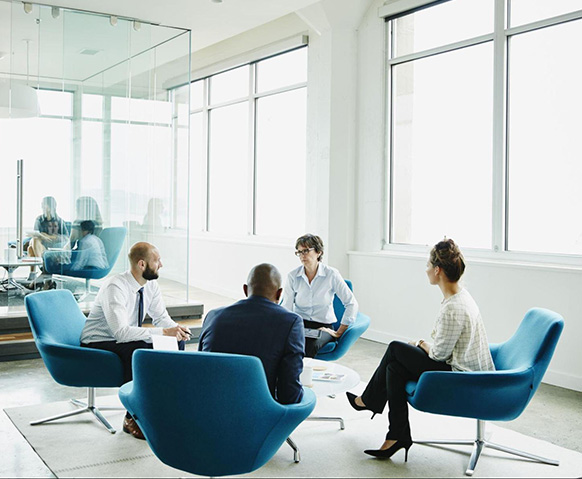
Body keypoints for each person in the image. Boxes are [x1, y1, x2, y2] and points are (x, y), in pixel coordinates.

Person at [346, 238, 495, 460]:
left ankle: (370, 401)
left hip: (463, 377)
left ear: (438, 270)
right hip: (461, 367)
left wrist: (420, 343)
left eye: (428, 265)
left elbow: (439, 355)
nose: (426, 270)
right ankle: (397, 435)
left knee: (396, 348)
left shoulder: (454, 307)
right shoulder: (460, 296)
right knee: (394, 369)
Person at [80, 242, 192, 440]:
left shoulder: (150, 285)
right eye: (157, 261)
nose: (161, 265)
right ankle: (132, 417)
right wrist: (163, 332)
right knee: (139, 351)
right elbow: (121, 333)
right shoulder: (115, 287)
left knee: (176, 342)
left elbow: (161, 318)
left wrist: (176, 329)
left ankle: (164, 405)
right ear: (142, 264)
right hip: (99, 340)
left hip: (125, 337)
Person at [199, 263, 305, 405]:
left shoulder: (213, 316)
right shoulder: (290, 322)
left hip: (209, 409)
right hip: (259, 415)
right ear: (279, 294)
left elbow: (200, 369)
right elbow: (289, 395)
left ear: (245, 289)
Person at [281, 234, 358, 358]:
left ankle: (302, 376)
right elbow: (287, 307)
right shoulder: (293, 276)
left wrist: (339, 332)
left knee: (310, 345)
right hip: (300, 324)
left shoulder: (331, 274)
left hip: (323, 327)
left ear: (319, 252)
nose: (302, 255)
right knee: (285, 343)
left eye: (306, 251)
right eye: (299, 252)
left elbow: (351, 303)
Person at [26, 196, 69, 281]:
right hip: (41, 245)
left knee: (30, 248)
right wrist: (42, 235)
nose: (41, 206)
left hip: (54, 246)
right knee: (33, 242)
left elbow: (66, 237)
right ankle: (44, 266)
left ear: (49, 207)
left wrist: (50, 236)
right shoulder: (39, 219)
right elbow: (36, 233)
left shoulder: (59, 221)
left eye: (43, 204)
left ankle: (34, 272)